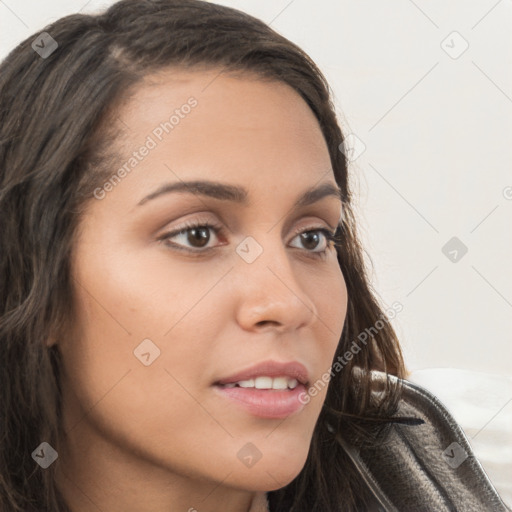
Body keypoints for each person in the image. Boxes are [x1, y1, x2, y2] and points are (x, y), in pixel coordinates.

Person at [0, 1, 508, 511]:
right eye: (197, 235)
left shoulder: (431, 461)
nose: (289, 303)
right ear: (32, 275)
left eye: (311, 238)